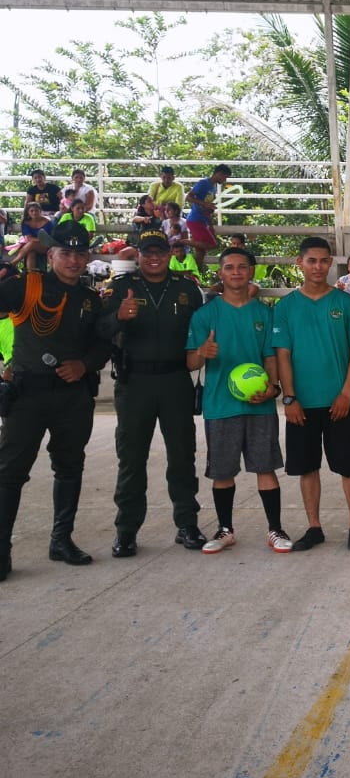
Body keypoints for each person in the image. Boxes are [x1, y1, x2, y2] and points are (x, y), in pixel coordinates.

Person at [0, 222, 111, 581]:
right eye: (66, 253)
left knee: (69, 468)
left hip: (72, 397)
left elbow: (103, 345)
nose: (74, 260)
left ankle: (61, 540)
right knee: (9, 474)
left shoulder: (91, 300)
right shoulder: (25, 287)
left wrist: (85, 365)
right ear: (51, 255)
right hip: (26, 395)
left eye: (81, 253)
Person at [97, 228, 206, 556]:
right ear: (138, 255)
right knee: (131, 458)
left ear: (170, 252)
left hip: (175, 380)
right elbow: (99, 331)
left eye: (160, 250)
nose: (154, 257)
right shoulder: (119, 289)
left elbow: (198, 332)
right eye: (148, 252)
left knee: (182, 456)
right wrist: (118, 316)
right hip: (135, 382)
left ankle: (187, 524)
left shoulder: (187, 289)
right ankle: (126, 530)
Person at [186, 246, 290, 554]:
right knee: (222, 471)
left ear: (251, 272)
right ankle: (225, 529)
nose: (235, 272)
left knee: (265, 468)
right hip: (220, 406)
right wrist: (201, 354)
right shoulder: (206, 315)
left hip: (260, 405)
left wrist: (273, 387)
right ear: (220, 274)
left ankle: (275, 529)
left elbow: (271, 357)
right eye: (229, 267)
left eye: (241, 267)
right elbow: (190, 363)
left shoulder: (264, 313)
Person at [272, 237, 350, 552]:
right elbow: (282, 355)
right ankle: (315, 527)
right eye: (311, 260)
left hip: (340, 401)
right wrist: (289, 398)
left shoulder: (346, 304)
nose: (318, 267)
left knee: (348, 466)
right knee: (307, 467)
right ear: (299, 263)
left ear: (330, 263)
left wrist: (346, 392)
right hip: (302, 404)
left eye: (324, 261)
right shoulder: (285, 307)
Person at [185, 163, 229, 270]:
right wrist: (204, 204)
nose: (225, 180)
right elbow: (189, 197)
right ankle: (183, 241)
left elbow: (208, 205)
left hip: (203, 220)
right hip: (196, 220)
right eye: (225, 177)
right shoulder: (203, 183)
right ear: (219, 174)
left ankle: (195, 275)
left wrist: (209, 213)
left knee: (201, 251)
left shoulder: (213, 187)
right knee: (212, 244)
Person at [10, 202, 55, 272]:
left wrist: (41, 241)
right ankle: (31, 276)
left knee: (31, 244)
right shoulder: (26, 222)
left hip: (47, 246)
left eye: (36, 210)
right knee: (31, 252)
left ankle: (13, 263)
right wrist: (40, 240)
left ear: (40, 211)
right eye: (32, 211)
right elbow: (28, 238)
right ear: (28, 212)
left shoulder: (47, 222)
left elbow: (52, 238)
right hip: (31, 245)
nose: (34, 213)